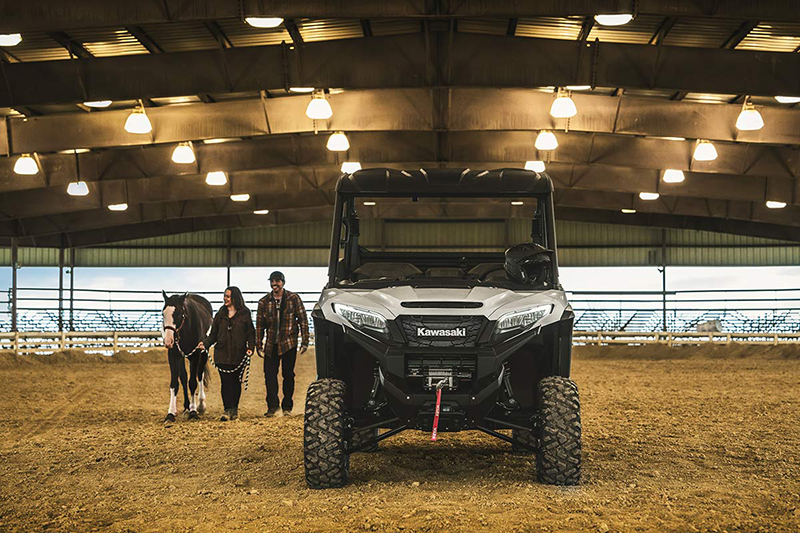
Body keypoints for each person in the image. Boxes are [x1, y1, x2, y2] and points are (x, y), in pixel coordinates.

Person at [197, 286, 255, 421]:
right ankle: (227, 409)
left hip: (238, 354)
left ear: (235, 297)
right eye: (225, 296)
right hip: (222, 354)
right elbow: (213, 335)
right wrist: (205, 343)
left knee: (236, 382)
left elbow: (250, 333)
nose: (225, 298)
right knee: (225, 382)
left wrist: (251, 347)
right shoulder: (220, 314)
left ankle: (234, 409)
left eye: (228, 296)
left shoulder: (245, 313)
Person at [256, 271, 309, 417]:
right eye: (272, 281)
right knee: (269, 375)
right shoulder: (263, 302)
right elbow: (259, 325)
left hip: (288, 343)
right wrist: (258, 344)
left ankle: (287, 407)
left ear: (283, 283)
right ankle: (273, 407)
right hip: (271, 344)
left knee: (288, 375)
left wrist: (305, 341)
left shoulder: (293, 298)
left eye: (277, 281)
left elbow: (303, 319)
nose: (274, 284)